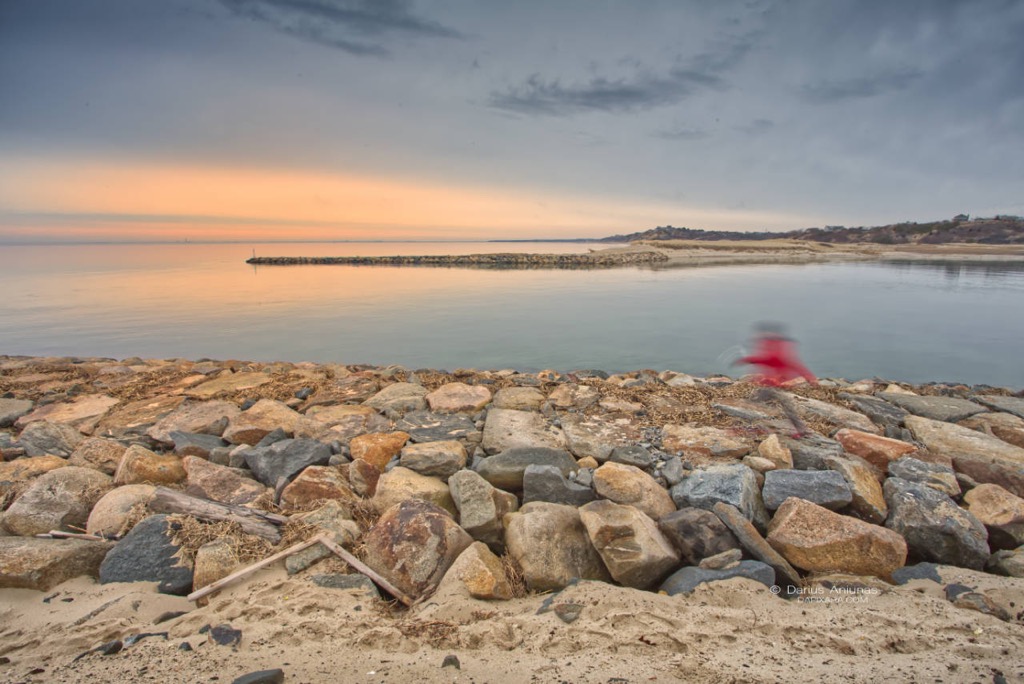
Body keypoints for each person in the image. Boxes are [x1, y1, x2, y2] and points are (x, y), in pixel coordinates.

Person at [734, 323, 817, 437]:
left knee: (750, 404)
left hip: (774, 384)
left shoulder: (774, 345)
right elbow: (787, 363)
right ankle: (801, 430)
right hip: (773, 384)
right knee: (786, 407)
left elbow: (772, 359)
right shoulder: (775, 344)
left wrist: (748, 360)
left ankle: (744, 428)